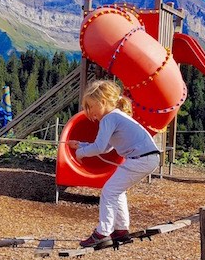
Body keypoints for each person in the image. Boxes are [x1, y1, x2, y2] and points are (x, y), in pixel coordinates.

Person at [68, 79, 160, 248]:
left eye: (90, 106)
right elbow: (107, 147)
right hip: (147, 157)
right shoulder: (116, 116)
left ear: (102, 102)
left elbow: (100, 147)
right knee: (116, 191)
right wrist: (80, 145)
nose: (89, 112)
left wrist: (81, 153)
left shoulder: (109, 119)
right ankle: (120, 230)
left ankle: (102, 233)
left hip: (141, 159)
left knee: (109, 191)